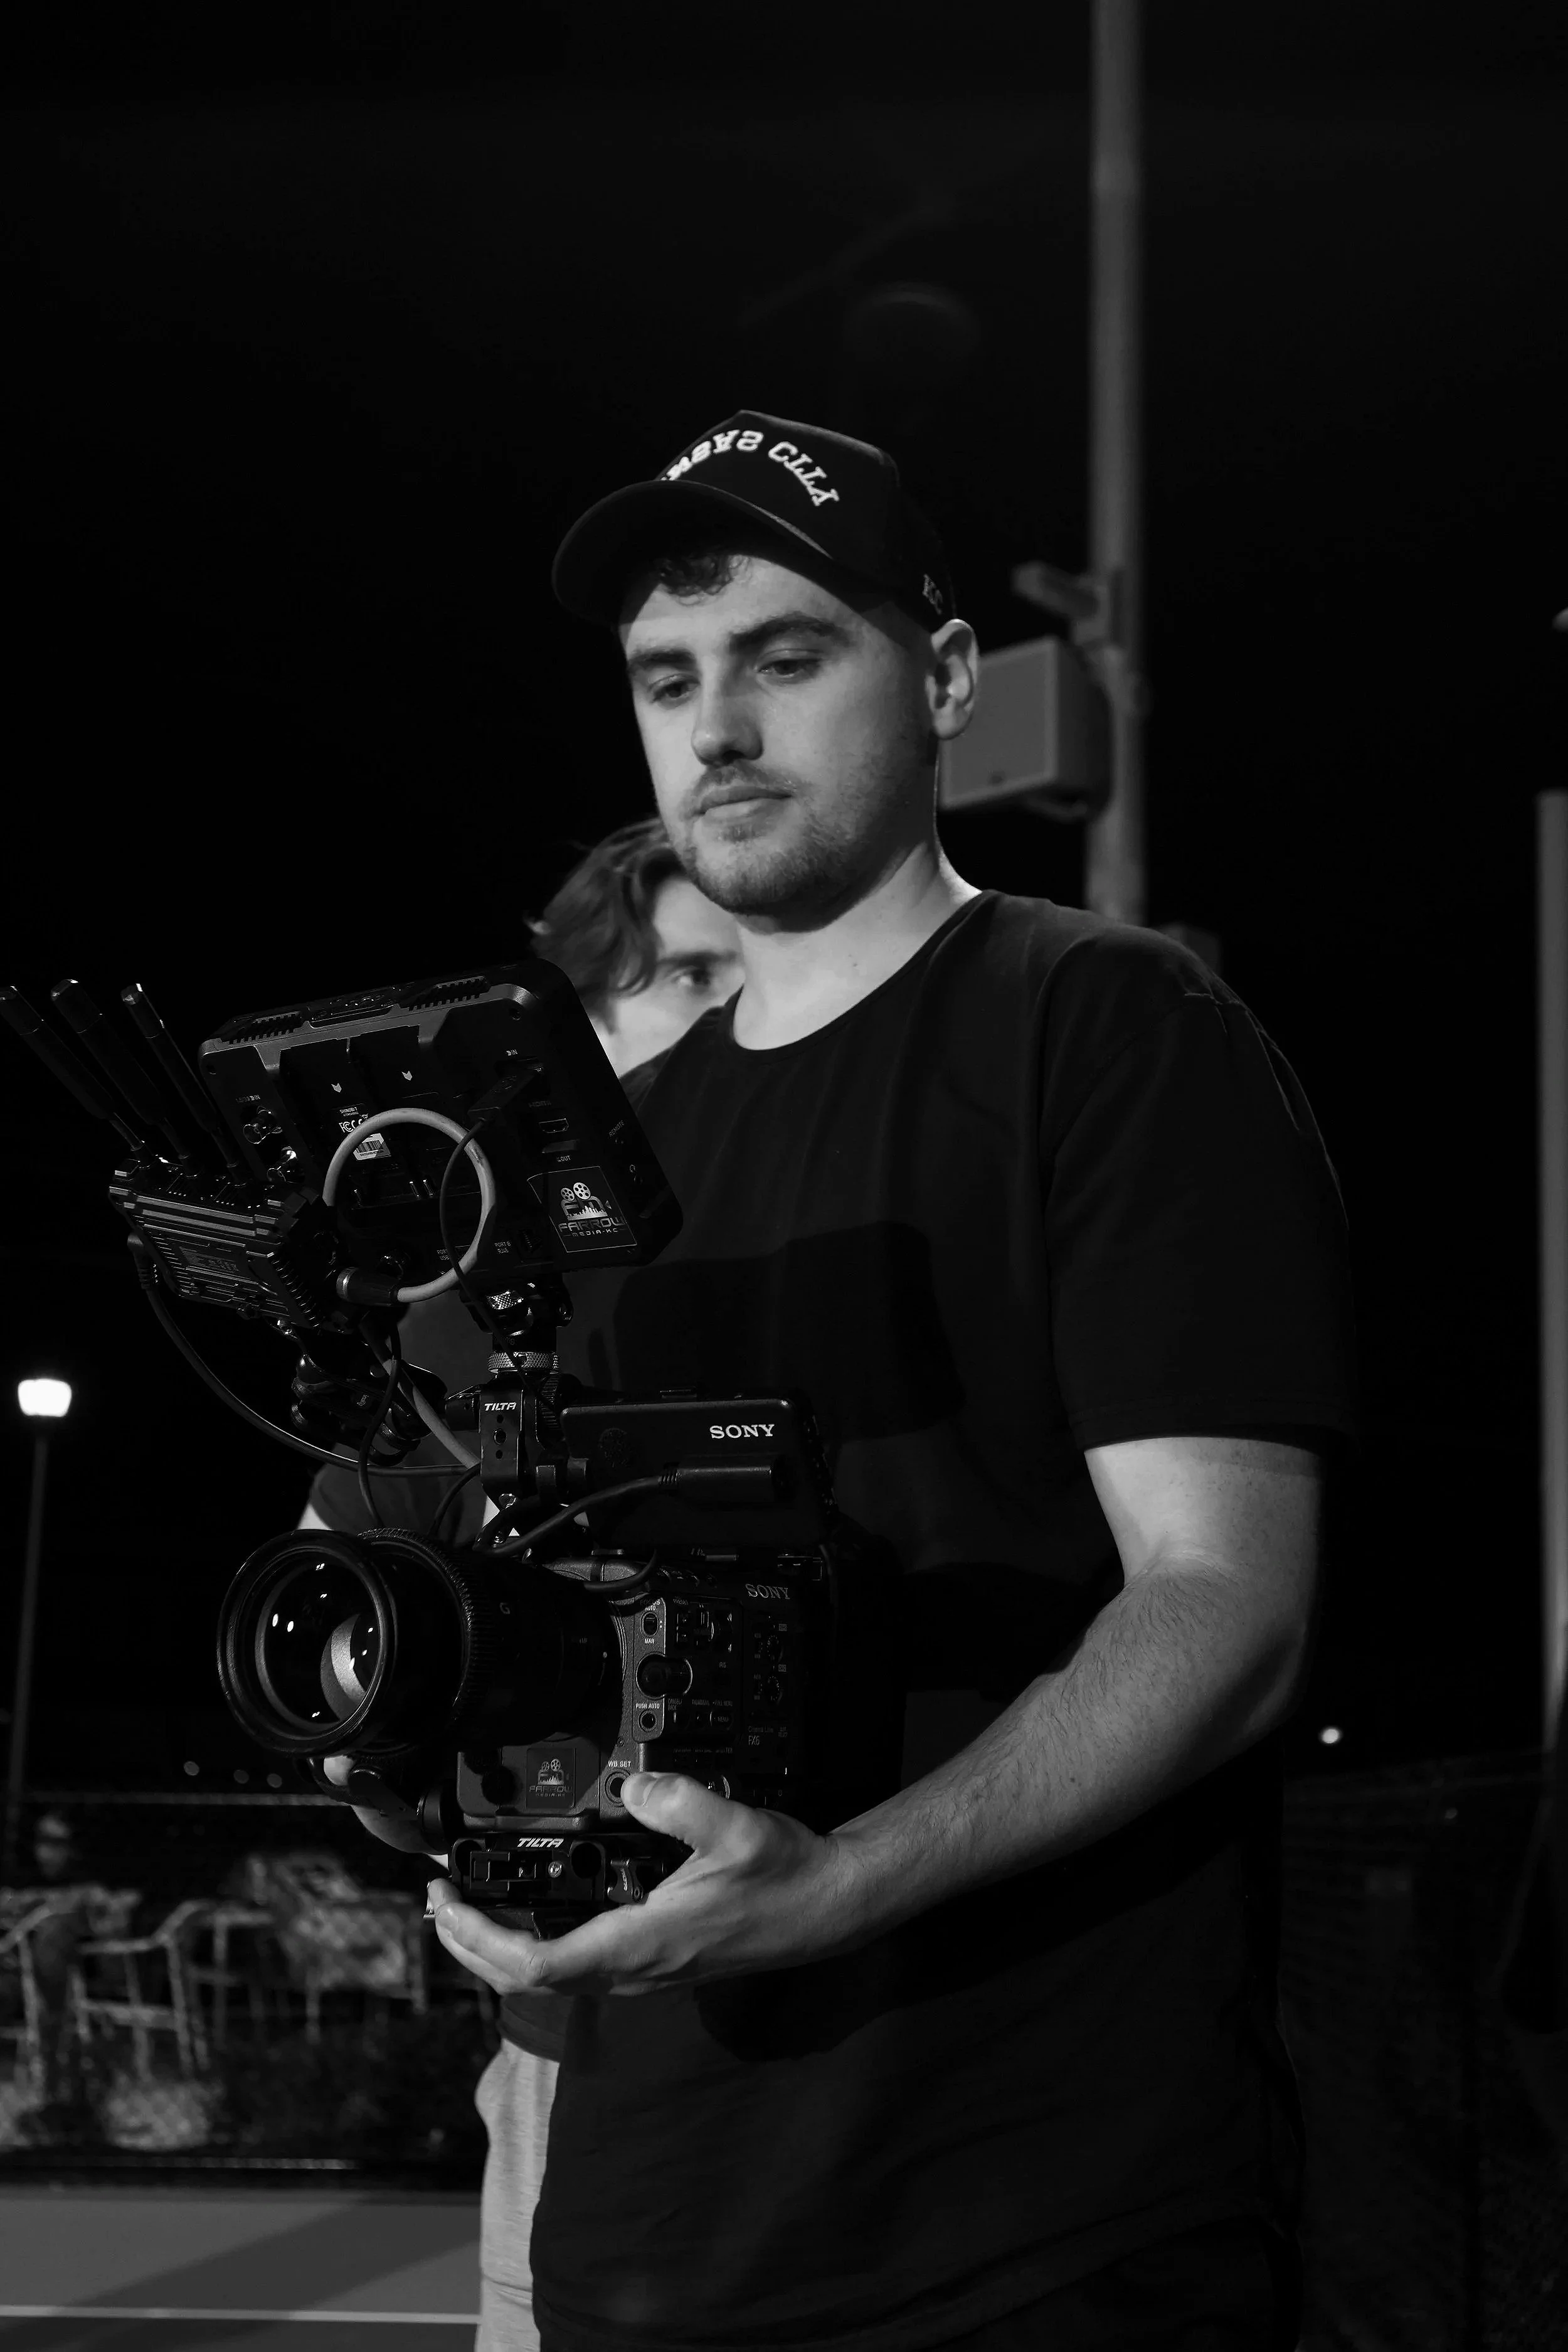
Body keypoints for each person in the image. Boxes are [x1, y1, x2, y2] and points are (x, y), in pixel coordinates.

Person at [420, 410, 1357, 2352]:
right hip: (644, 2224)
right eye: (665, 681)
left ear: (939, 680)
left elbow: (1223, 1600)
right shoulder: (595, 1162)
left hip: (1032, 2227)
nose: (717, 727)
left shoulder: (1096, 1020)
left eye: (783, 656)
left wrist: (836, 1883)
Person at [299, 818, 741, 1541]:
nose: (742, 1004)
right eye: (694, 976)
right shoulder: (478, 1294)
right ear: (583, 1030)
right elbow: (327, 1597)